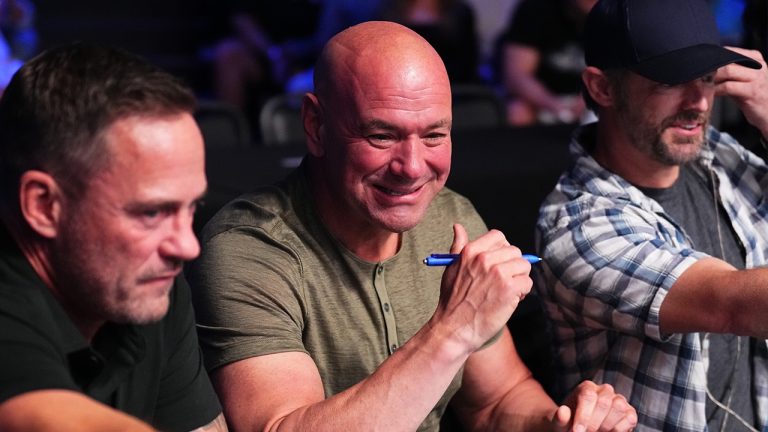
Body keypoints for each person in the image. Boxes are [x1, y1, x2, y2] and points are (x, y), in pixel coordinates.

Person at [188, 20, 637, 431]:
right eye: (382, 136)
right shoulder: (249, 248)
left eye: (434, 135)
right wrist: (453, 327)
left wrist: (560, 423)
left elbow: (496, 402)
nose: (412, 167)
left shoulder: (450, 217)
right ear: (315, 125)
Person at [535, 0, 768, 430]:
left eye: (706, 77)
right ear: (602, 88)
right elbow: (733, 305)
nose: (699, 102)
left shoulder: (715, 155)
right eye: (672, 80)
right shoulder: (578, 225)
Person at [0, 43, 226, 431]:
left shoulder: (149, 286)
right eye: (152, 212)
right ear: (42, 206)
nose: (187, 246)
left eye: (190, 208)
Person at [496, 0, 596, 126]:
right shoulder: (536, 8)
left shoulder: (617, 14)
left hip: (593, 98)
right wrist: (554, 105)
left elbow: (616, 73)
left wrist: (588, 99)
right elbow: (516, 76)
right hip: (542, 98)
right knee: (517, 111)